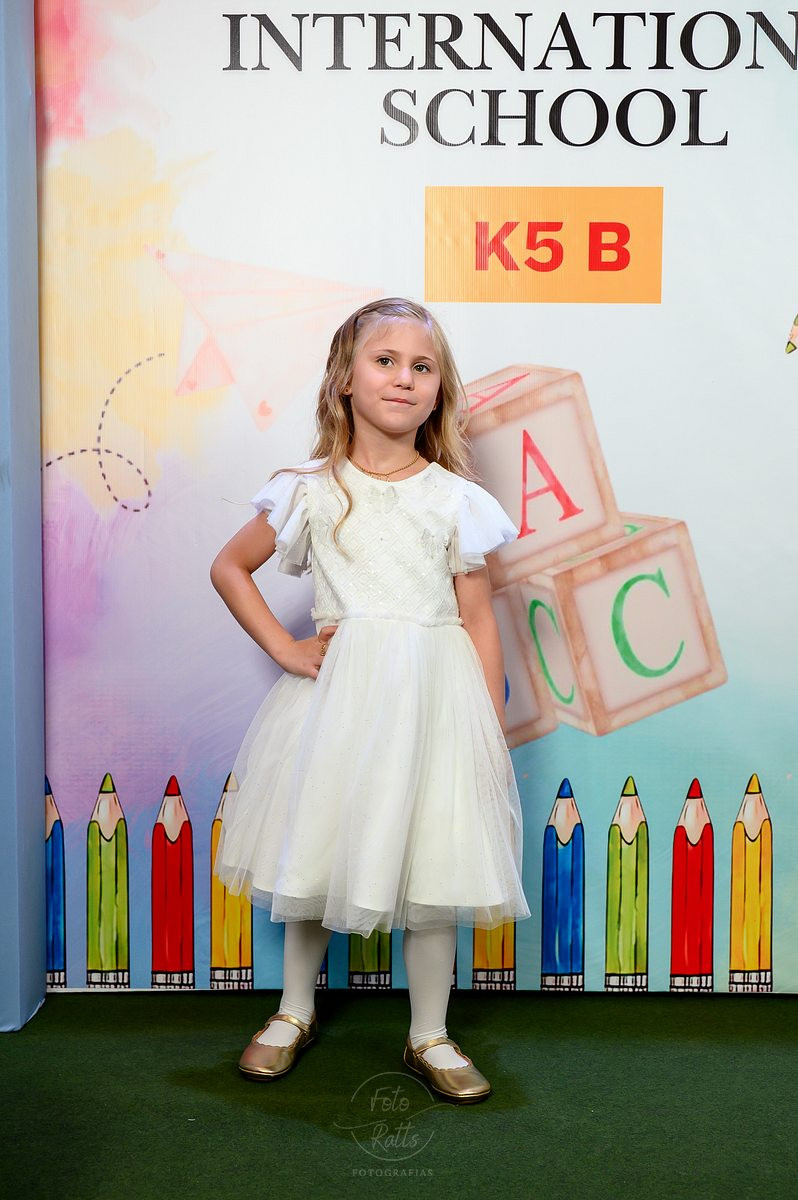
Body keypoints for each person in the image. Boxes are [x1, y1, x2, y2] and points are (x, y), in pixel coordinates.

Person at [210, 297, 531, 1104]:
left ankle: (430, 1033)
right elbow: (228, 567)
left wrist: (489, 729)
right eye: (385, 360)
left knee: (436, 855)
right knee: (318, 841)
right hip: (342, 704)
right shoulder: (310, 490)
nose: (404, 378)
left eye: (422, 367)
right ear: (344, 379)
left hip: (434, 701)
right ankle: (293, 1010)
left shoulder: (455, 498)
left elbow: (478, 618)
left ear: (438, 390)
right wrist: (285, 648)